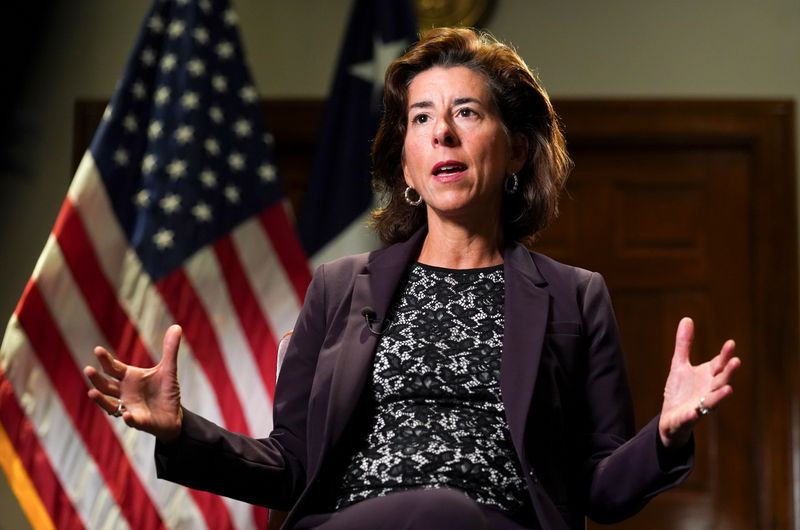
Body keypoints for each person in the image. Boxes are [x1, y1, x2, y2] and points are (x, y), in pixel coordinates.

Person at [84, 27, 741, 530]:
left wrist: (664, 434)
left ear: (513, 150)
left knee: (443, 515)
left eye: (468, 113)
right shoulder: (340, 288)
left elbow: (599, 488)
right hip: (354, 522)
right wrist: (180, 430)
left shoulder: (576, 296)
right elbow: (290, 466)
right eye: (422, 118)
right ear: (406, 162)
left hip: (495, 525)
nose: (442, 134)